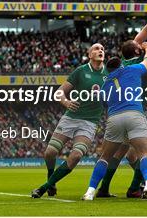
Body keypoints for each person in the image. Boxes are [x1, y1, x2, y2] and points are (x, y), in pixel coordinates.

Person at [82, 41, 147, 201]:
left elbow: (104, 104)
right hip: (134, 113)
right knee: (144, 154)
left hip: (114, 118)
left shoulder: (105, 84)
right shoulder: (132, 70)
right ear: (121, 66)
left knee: (104, 158)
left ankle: (90, 191)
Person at [31, 43, 108, 198]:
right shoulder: (81, 71)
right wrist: (66, 102)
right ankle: (51, 178)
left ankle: (44, 187)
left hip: (90, 122)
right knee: (50, 153)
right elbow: (59, 92)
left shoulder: (109, 74)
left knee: (76, 156)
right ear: (89, 54)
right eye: (96, 49)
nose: (100, 51)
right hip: (71, 117)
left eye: (102, 49)